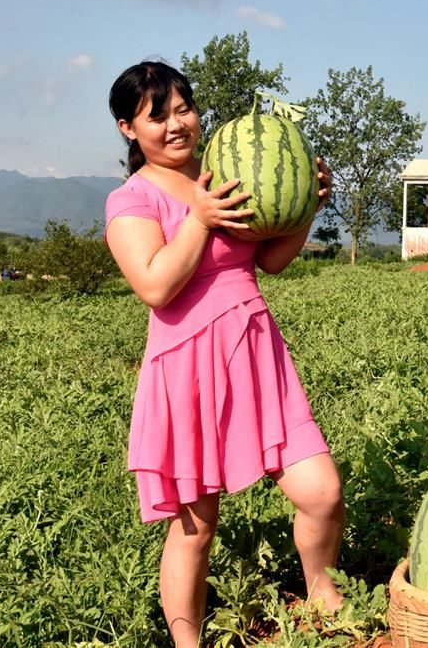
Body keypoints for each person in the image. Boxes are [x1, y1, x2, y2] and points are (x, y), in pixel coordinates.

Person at [105, 61, 345, 647]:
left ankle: (322, 594)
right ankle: (187, 643)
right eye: (156, 116)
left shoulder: (225, 174)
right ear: (128, 129)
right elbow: (157, 286)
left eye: (182, 108)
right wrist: (200, 219)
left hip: (255, 353)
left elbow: (268, 260)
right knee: (195, 527)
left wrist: (309, 203)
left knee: (322, 492)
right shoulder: (130, 200)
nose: (175, 124)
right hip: (187, 366)